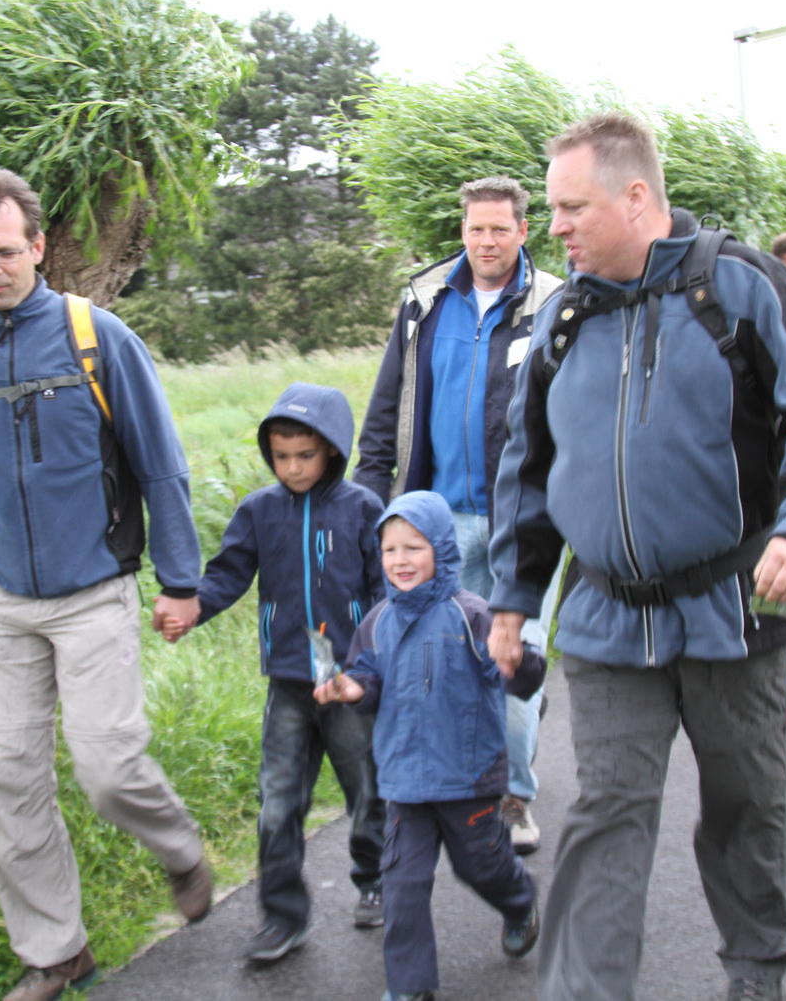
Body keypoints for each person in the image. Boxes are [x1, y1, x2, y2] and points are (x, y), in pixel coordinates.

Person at [486, 111, 786, 1001]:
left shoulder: (740, 286)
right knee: (606, 811)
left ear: (635, 196)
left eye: (571, 207)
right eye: (551, 208)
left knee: (744, 805)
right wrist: (512, 597)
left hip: (734, 610)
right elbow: (527, 468)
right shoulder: (561, 318)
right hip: (605, 617)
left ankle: (755, 971)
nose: (554, 226)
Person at [0, 168, 210, 1001]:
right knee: (10, 780)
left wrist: (180, 580)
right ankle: (55, 951)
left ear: (38, 246)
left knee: (108, 767)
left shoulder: (95, 337)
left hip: (93, 591)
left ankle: (179, 847)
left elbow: (160, 464)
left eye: (6, 252)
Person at [354, 176, 562, 854]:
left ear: (523, 230)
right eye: (476, 229)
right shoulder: (424, 303)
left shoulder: (555, 304)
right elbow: (387, 407)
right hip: (435, 522)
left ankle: (513, 798)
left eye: (500, 229)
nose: (486, 241)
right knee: (445, 663)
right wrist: (369, 500)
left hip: (524, 520)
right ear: (462, 231)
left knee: (510, 656)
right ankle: (459, 785)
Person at [162, 382, 387, 962]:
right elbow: (228, 573)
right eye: (281, 456)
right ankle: (282, 917)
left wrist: (377, 663)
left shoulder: (363, 509)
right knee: (278, 801)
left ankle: (378, 880)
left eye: (305, 455)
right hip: (288, 682)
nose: (292, 468)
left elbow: (384, 591)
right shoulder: (258, 511)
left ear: (332, 448)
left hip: (348, 683)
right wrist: (192, 608)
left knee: (369, 790)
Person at [315, 490, 546, 1001]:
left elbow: (525, 672)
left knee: (480, 865)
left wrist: (515, 660)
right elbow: (366, 678)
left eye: (414, 548)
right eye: (390, 550)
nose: (400, 560)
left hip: (468, 777)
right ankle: (410, 987)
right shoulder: (378, 621)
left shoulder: (474, 614)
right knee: (403, 883)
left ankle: (518, 901)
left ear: (442, 548)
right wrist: (350, 690)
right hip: (404, 783)